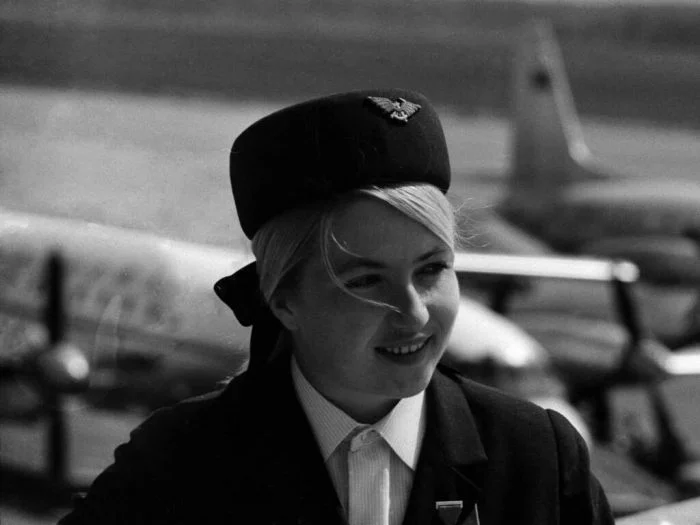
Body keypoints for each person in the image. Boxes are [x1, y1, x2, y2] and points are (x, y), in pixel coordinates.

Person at [58, 89, 613, 524]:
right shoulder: (177, 463)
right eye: (367, 281)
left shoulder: (538, 457)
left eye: (431, 270)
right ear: (284, 299)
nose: (415, 313)